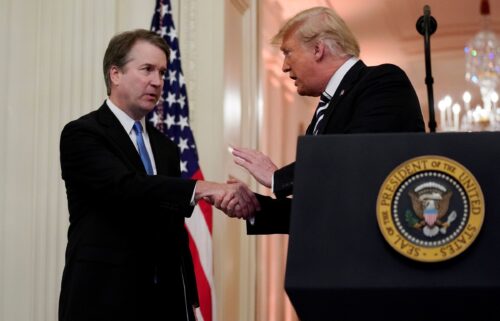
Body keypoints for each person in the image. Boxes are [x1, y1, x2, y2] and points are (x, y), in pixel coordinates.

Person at [58, 29, 258, 321]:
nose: (158, 81)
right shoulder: (83, 134)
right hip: (103, 299)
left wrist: (189, 299)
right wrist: (202, 188)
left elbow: (174, 231)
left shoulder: (166, 148)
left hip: (164, 303)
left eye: (162, 72)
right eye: (147, 69)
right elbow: (125, 187)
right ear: (115, 74)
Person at [231, 6, 425, 234]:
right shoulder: (328, 106)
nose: (284, 66)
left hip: (368, 257)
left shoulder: (383, 82)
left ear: (317, 49)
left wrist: (278, 177)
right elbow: (328, 205)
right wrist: (253, 208)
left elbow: (353, 157)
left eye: (288, 52)